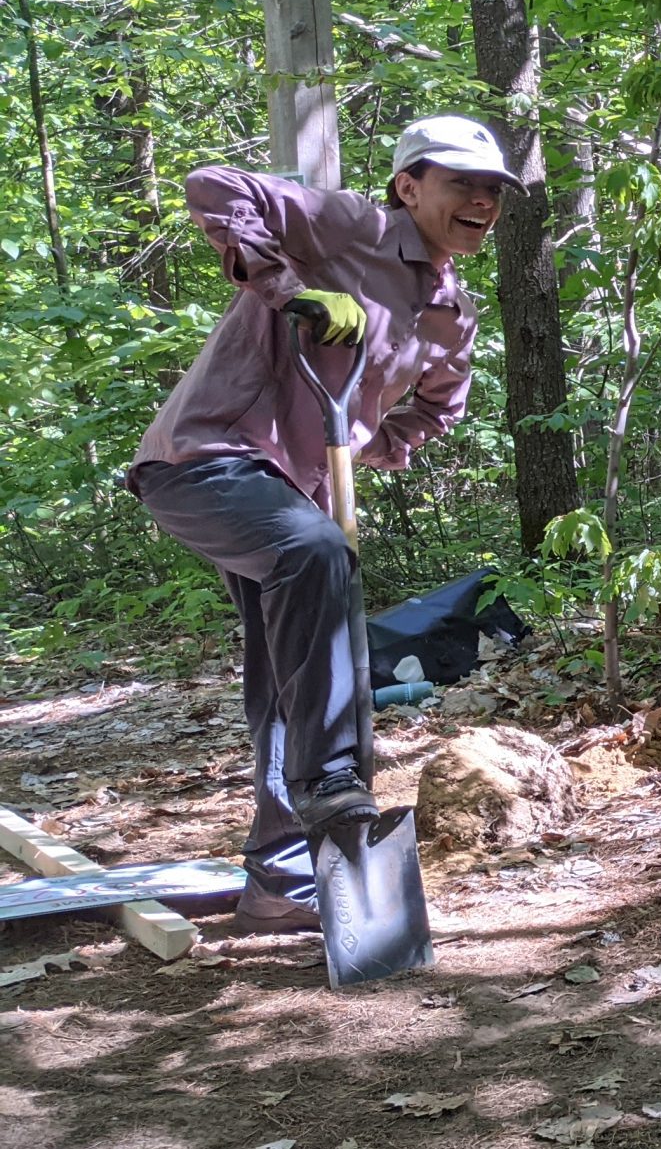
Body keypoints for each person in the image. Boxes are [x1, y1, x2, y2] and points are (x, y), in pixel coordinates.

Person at [129, 116, 515, 930]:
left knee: (290, 676)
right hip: (205, 459)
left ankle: (280, 883)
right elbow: (214, 185)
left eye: (493, 191)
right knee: (319, 555)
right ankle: (334, 783)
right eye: (460, 183)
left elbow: (442, 405)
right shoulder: (350, 226)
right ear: (410, 186)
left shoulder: (451, 310)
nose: (482, 200)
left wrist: (381, 440)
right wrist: (289, 288)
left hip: (292, 490)